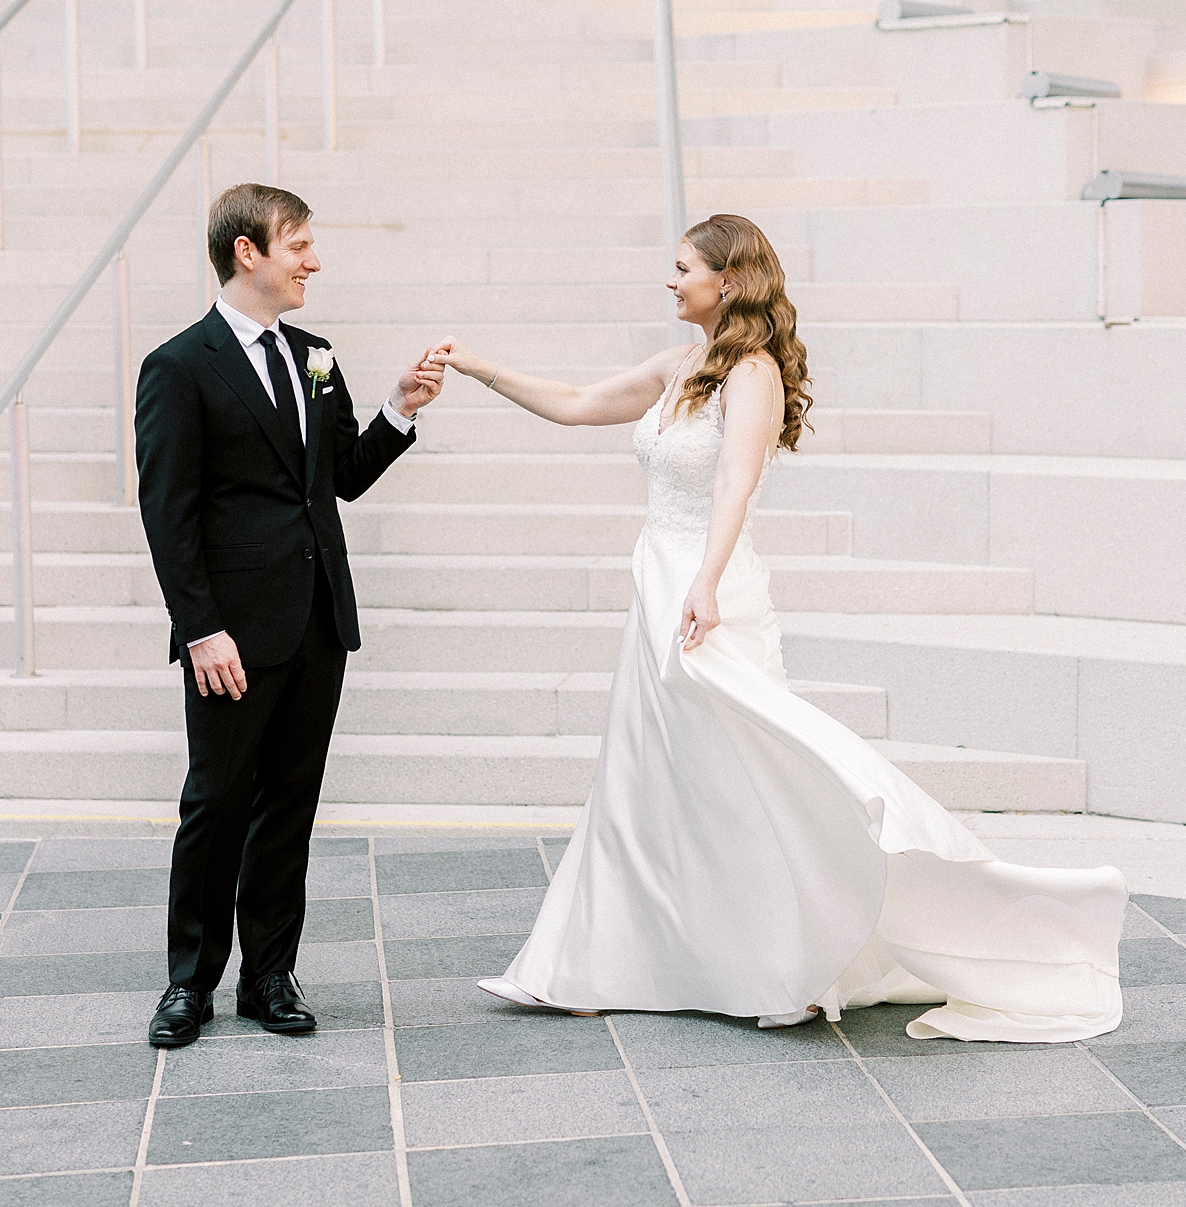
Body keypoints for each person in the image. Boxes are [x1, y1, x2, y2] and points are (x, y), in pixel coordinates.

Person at [428, 214, 1128, 1041]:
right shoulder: (677, 364)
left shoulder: (750, 372)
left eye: (682, 266)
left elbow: (735, 481)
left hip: (707, 592)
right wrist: (473, 367)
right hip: (659, 585)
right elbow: (579, 404)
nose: (670, 279)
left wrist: (709, 580)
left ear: (727, 281)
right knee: (647, 774)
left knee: (741, 777)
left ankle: (790, 965)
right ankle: (586, 964)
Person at [134, 183, 443, 1048]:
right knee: (217, 802)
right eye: (299, 244)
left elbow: (339, 474)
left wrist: (398, 409)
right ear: (248, 252)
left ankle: (269, 974)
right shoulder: (180, 365)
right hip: (230, 632)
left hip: (315, 624)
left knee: (291, 805)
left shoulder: (315, 354)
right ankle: (189, 981)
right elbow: (169, 512)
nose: (313, 260)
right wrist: (200, 628)